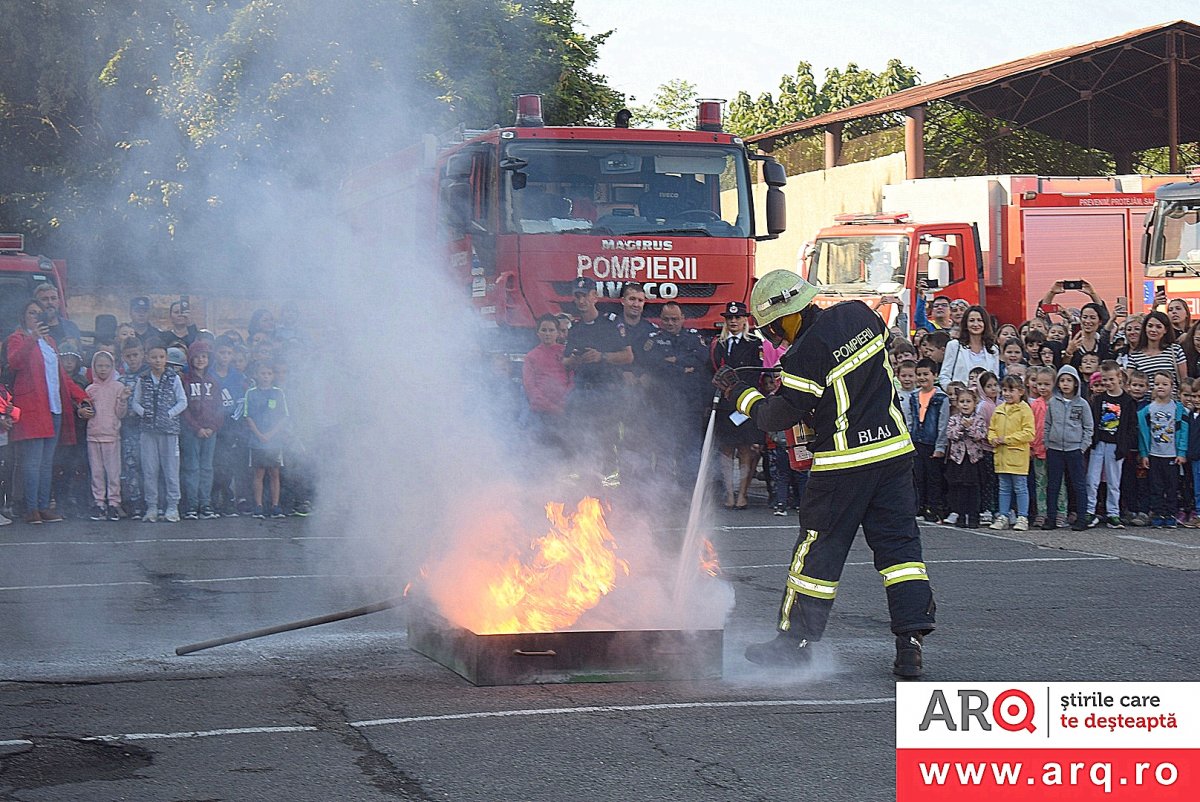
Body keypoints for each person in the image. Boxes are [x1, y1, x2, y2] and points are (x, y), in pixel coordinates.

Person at [715, 269, 934, 678]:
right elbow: (852, 376)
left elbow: (776, 415)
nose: (775, 341)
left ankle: (793, 644)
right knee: (901, 553)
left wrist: (738, 393)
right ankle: (910, 643)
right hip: (893, 454)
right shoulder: (862, 315)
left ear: (788, 314)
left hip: (843, 465)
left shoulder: (803, 355)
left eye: (773, 331)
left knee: (817, 555)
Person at [5, 300, 91, 524]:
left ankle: (43, 505)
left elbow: (62, 377)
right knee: (32, 462)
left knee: (46, 462)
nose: (36, 316)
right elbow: (14, 362)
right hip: (33, 408)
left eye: (38, 313)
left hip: (54, 408)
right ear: (23, 317)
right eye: (31, 312)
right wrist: (32, 337)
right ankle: (31, 507)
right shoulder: (18, 338)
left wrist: (82, 396)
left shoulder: (51, 341)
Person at [561, 278, 632, 486]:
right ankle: (581, 480)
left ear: (595, 296)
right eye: (578, 296)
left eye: (585, 295)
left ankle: (611, 482)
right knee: (578, 435)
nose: (581, 300)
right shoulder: (575, 328)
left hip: (608, 391)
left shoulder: (611, 323)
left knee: (608, 438)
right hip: (583, 391)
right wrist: (575, 360)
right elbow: (565, 361)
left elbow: (628, 356)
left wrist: (602, 356)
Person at [643, 301, 710, 489]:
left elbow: (702, 360)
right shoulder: (653, 339)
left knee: (689, 452)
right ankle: (663, 494)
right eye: (666, 319)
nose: (670, 323)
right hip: (662, 406)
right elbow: (653, 364)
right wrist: (683, 366)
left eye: (674, 319)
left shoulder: (694, 338)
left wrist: (674, 361)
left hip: (690, 407)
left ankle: (688, 493)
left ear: (683, 319)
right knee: (663, 451)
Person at [709, 301, 763, 510]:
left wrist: (739, 394)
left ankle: (742, 494)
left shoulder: (753, 344)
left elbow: (754, 372)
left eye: (738, 317)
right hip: (724, 404)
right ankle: (729, 494)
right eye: (729, 318)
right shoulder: (717, 344)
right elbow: (711, 372)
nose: (733, 321)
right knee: (726, 451)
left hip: (744, 403)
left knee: (745, 450)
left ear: (744, 320)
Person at [130, 344, 187, 523]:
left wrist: (169, 413)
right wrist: (143, 413)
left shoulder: (173, 378)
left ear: (166, 358)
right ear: (148, 358)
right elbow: (135, 402)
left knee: (171, 470)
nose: (158, 361)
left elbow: (182, 401)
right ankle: (152, 506)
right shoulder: (143, 378)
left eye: (161, 357)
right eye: (154, 357)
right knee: (150, 470)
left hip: (169, 431)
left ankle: (172, 506)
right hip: (148, 432)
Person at [1042, 365, 1093, 531]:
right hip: (1055, 449)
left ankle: (1081, 518)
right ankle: (1051, 518)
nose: (1065, 384)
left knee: (1078, 484)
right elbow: (1047, 424)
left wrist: (1082, 447)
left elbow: (1088, 427)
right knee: (1053, 485)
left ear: (1076, 383)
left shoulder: (1082, 404)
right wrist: (1048, 443)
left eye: (1069, 380)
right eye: (1062, 380)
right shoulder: (1053, 402)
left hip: (1074, 450)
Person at [1087, 361, 1136, 529]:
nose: (1107, 383)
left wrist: (1124, 446)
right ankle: (1090, 511)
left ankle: (1113, 513)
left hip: (1116, 446)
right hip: (1099, 443)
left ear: (1119, 377)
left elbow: (1131, 427)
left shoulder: (1127, 401)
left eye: (1110, 379)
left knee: (1113, 481)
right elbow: (1093, 421)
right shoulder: (1099, 399)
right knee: (1092, 479)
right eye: (1104, 380)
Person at [1138, 371, 1188, 529]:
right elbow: (1143, 434)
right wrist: (1144, 454)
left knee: (1172, 486)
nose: (1161, 387)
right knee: (1156, 486)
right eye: (1158, 384)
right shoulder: (1147, 410)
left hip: (1172, 455)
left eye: (1165, 384)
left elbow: (1184, 432)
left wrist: (1181, 452)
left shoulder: (1178, 409)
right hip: (1154, 454)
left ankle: (1171, 514)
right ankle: (1158, 513)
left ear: (1172, 387)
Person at [85, 350, 130, 521]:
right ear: (94, 367)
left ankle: (113, 502)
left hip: (112, 436)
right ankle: (99, 503)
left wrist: (123, 400)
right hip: (93, 436)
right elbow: (86, 411)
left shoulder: (118, 387)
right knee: (97, 471)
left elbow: (121, 413)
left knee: (113, 472)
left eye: (106, 366)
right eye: (99, 366)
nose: (103, 369)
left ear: (112, 367)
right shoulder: (90, 389)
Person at [180, 340, 223, 520]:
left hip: (210, 432)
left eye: (204, 356)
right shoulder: (185, 381)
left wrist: (212, 427)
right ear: (190, 359)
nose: (200, 360)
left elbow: (220, 408)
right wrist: (197, 428)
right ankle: (192, 504)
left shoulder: (213, 382)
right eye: (196, 357)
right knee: (192, 467)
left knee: (207, 468)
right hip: (192, 431)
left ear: (209, 359)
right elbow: (184, 408)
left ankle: (205, 503)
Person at [904, 358, 949, 522]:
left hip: (932, 443)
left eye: (926, 374)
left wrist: (940, 446)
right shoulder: (914, 396)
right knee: (918, 477)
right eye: (919, 375)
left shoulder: (941, 398)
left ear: (935, 376)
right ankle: (919, 506)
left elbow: (943, 424)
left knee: (933, 478)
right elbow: (910, 420)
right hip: (917, 441)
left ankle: (933, 507)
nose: (922, 378)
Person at [244, 361, 290, 519]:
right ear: (257, 375)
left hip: (274, 441)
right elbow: (248, 416)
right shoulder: (251, 393)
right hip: (257, 441)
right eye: (263, 373)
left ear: (273, 376)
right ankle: (258, 505)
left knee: (274, 473)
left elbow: (284, 417)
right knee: (259, 474)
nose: (266, 377)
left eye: (269, 374)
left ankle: (275, 505)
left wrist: (270, 435)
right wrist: (259, 434)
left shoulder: (278, 393)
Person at [988, 375, 1034, 531]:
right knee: (1004, 487)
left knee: (1020, 487)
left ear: (1020, 391)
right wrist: (992, 438)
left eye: (1011, 390)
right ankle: (1003, 515)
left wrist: (1007, 439)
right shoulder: (999, 409)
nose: (1007, 394)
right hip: (1001, 456)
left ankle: (1023, 517)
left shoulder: (1024, 409)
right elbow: (992, 429)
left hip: (1017, 456)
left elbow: (1029, 433)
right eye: (1005, 390)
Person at [522, 314, 571, 453]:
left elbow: (572, 379)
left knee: (567, 451)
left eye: (551, 330)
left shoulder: (565, 353)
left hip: (565, 412)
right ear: (538, 333)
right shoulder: (531, 357)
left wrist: (565, 403)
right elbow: (531, 388)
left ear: (558, 332)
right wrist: (552, 408)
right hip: (541, 414)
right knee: (544, 451)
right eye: (544, 330)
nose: (548, 334)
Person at [211, 335, 248, 517]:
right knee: (214, 462)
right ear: (215, 353)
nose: (225, 356)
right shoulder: (209, 374)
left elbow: (241, 401)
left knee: (227, 463)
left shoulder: (237, 376)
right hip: (212, 425)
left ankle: (227, 497)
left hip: (231, 425)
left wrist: (234, 420)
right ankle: (213, 497)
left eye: (228, 353)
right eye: (222, 352)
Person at [944, 387, 988, 528]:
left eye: (968, 401)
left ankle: (974, 516)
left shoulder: (979, 419)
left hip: (973, 459)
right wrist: (961, 427)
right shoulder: (954, 419)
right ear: (957, 404)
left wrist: (969, 428)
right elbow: (951, 435)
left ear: (974, 403)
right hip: (958, 459)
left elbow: (980, 435)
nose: (965, 404)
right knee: (960, 488)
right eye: (962, 401)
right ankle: (961, 516)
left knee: (973, 488)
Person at [1120, 310, 1186, 398]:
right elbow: (1128, 383)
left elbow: (1183, 381)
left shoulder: (1175, 350)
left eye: (1158, 327)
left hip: (1171, 404)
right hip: (1144, 406)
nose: (1153, 330)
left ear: (1165, 330)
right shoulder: (1135, 355)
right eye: (1150, 326)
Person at [117, 337, 147, 518]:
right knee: (131, 465)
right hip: (128, 428)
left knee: (150, 466)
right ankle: (134, 501)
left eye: (136, 355)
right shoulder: (120, 380)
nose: (133, 359)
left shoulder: (149, 377)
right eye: (129, 356)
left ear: (142, 354)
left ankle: (151, 500)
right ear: (123, 357)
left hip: (148, 427)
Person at [938, 305, 999, 390]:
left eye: (979, 320)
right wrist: (954, 393)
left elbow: (995, 377)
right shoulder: (954, 346)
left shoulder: (993, 349)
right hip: (961, 399)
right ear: (966, 324)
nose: (975, 324)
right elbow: (944, 376)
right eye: (971, 320)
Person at [34, 282, 82, 348]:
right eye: (44, 299)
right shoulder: (31, 327)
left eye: (53, 298)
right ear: (36, 303)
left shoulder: (70, 327)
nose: (50, 302)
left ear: (59, 302)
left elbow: (79, 355)